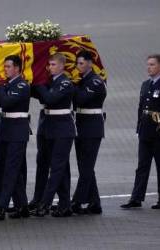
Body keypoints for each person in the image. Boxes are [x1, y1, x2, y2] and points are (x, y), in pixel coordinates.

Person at [32, 53, 76, 217]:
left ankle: (45, 203)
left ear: (62, 66)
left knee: (57, 168)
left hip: (63, 130)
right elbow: (37, 94)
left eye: (53, 64)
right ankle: (65, 205)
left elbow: (50, 98)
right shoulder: (50, 82)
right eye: (49, 65)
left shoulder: (65, 83)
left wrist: (38, 83)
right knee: (61, 168)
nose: (50, 67)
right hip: (49, 128)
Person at [0, 55, 31, 220]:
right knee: (6, 168)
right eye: (4, 66)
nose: (5, 70)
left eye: (8, 67)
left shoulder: (22, 85)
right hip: (5, 128)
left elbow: (6, 101)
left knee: (11, 169)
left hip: (17, 131)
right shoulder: (8, 84)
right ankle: (22, 206)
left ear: (17, 68)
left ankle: (1, 206)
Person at [121, 54, 160, 209]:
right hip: (145, 130)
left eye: (152, 64)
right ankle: (136, 198)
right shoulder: (145, 84)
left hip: (158, 131)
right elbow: (141, 108)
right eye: (148, 64)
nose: (148, 67)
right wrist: (138, 127)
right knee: (142, 166)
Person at [71, 50, 107, 215]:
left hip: (92, 128)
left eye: (81, 63)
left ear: (90, 64)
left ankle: (77, 201)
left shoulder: (95, 82)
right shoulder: (82, 80)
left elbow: (80, 99)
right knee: (85, 166)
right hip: (82, 126)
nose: (78, 66)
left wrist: (69, 86)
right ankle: (95, 203)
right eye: (77, 63)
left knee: (86, 167)